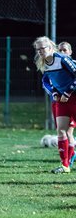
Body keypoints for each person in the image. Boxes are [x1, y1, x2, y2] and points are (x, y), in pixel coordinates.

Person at [33, 36, 76, 174]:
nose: (40, 51)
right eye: (37, 49)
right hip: (62, 100)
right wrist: (54, 93)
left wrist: (68, 92)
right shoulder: (43, 63)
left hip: (73, 97)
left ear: (51, 47)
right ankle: (65, 166)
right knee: (61, 131)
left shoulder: (62, 59)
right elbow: (47, 82)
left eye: (42, 48)